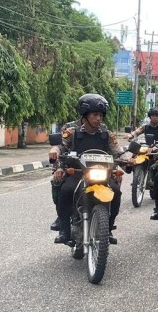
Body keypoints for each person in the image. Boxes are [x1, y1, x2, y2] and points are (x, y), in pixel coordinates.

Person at [48, 93, 125, 244]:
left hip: (102, 174)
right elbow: (61, 145)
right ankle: (64, 229)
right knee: (66, 190)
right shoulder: (72, 132)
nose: (99, 119)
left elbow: (118, 151)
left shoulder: (107, 134)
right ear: (85, 115)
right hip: (77, 173)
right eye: (95, 114)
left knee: (115, 191)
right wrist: (55, 151)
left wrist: (128, 158)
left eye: (101, 115)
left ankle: (107, 228)